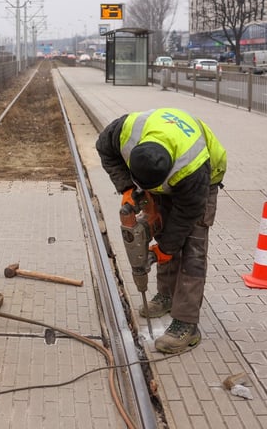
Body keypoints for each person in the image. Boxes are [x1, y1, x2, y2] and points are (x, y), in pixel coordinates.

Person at [96, 108, 227, 354]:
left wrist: (165, 249)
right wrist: (126, 187)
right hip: (172, 162)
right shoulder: (124, 132)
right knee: (163, 231)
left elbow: (187, 215)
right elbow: (104, 149)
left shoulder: (191, 169)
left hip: (205, 180)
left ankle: (187, 324)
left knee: (191, 249)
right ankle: (166, 295)